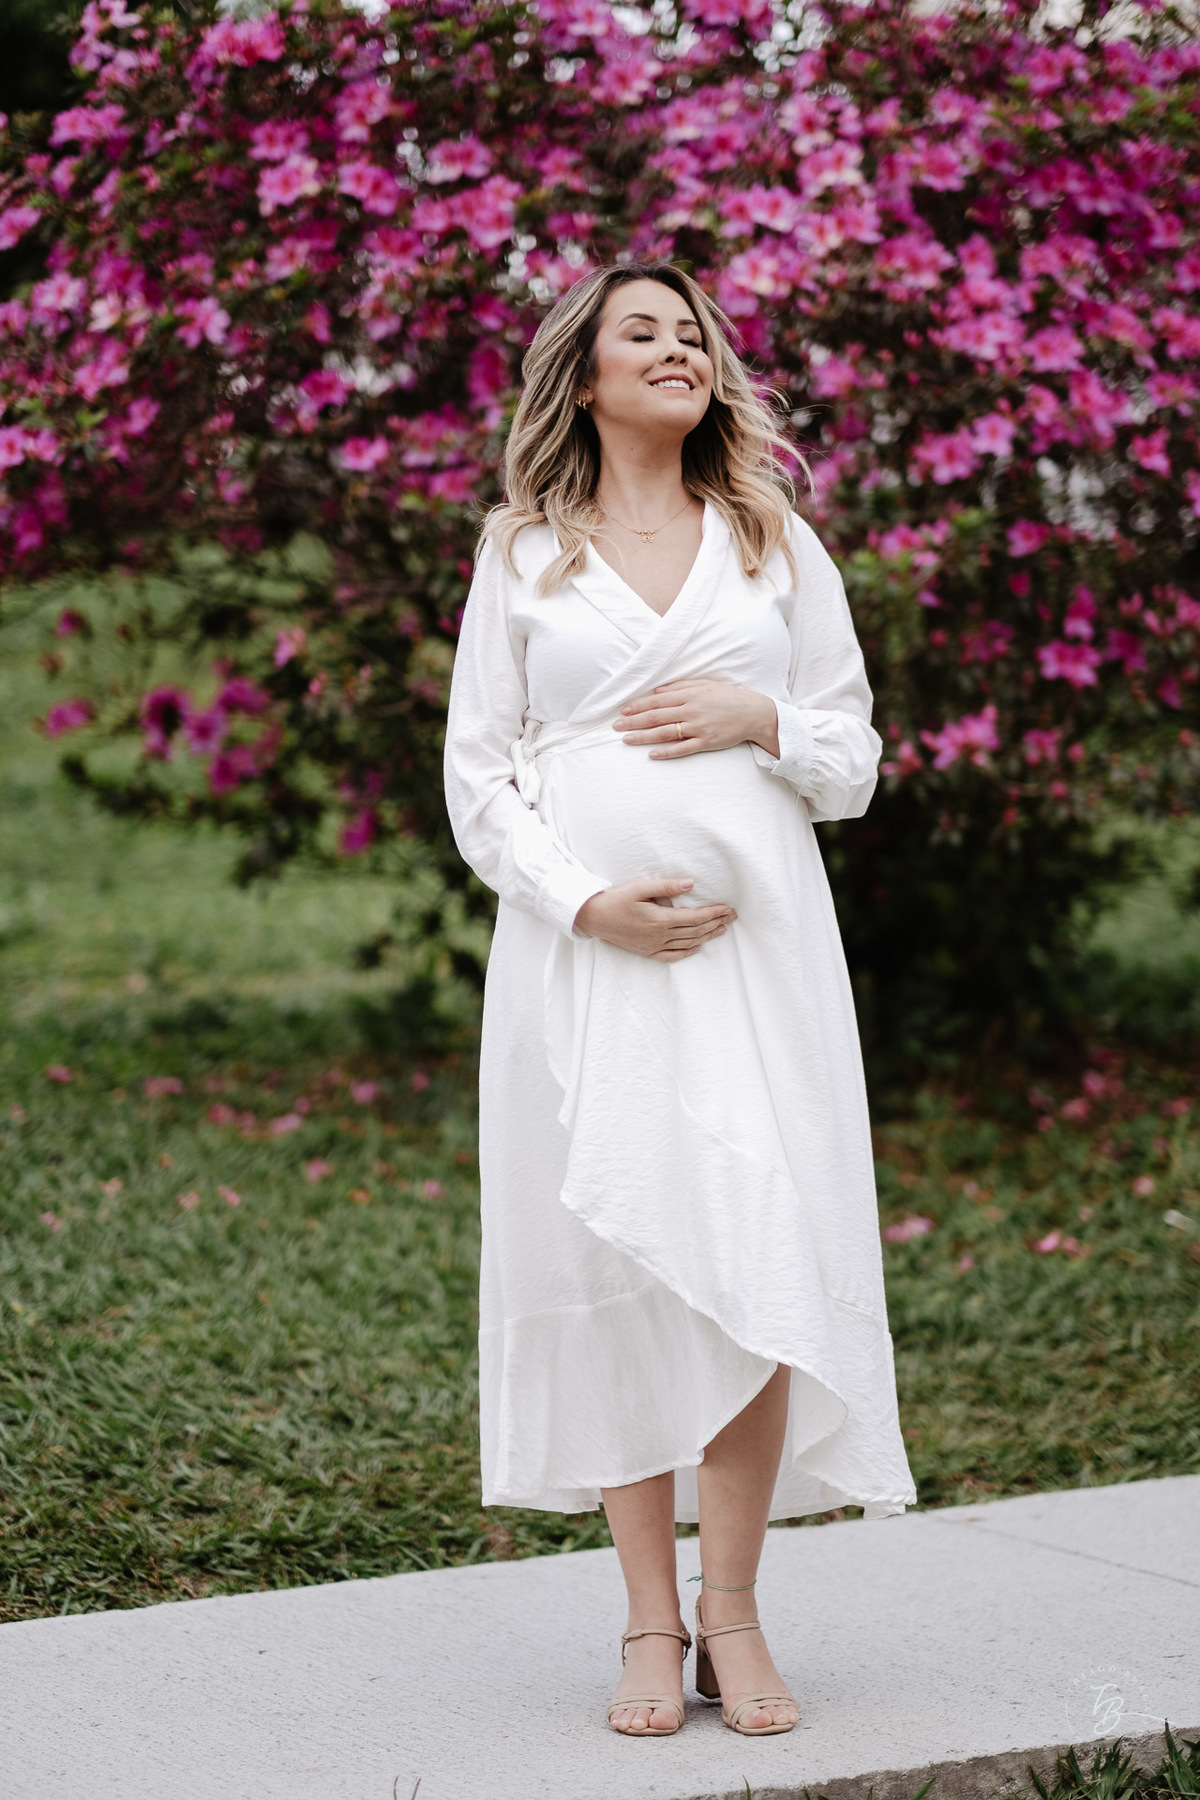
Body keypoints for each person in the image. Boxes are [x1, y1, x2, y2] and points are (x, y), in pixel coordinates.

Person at [443, 261, 916, 1740]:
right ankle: (649, 1620)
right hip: (586, 964)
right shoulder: (525, 554)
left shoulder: (773, 541)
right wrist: (586, 902)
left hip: (758, 966)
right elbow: (480, 779)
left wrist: (758, 714)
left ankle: (736, 1611)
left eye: (693, 332)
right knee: (622, 1264)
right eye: (640, 331)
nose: (679, 348)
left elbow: (852, 758)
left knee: (757, 1259)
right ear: (582, 376)